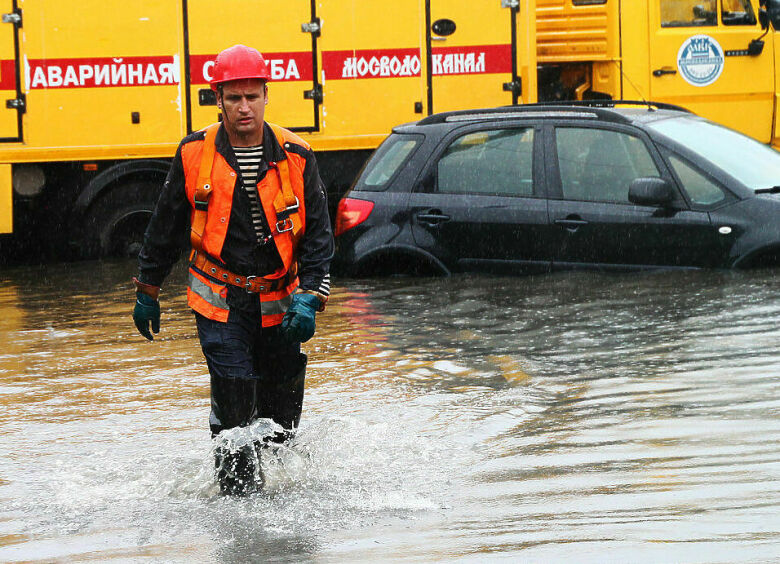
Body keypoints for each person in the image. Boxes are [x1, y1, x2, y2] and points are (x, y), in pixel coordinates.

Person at [131, 45, 333, 496]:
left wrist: (311, 295)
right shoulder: (193, 154)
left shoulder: (297, 154)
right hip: (220, 301)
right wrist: (148, 289)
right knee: (235, 395)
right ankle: (237, 506)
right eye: (234, 97)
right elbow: (163, 228)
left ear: (266, 95)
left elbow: (319, 236)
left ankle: (280, 501)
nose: (245, 107)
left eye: (253, 96)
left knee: (281, 415)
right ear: (217, 99)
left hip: (280, 301)